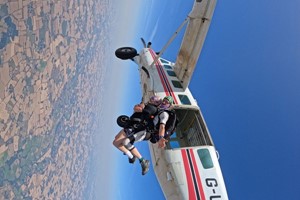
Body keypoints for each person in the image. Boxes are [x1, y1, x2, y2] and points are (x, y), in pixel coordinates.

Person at [112, 96, 162, 175]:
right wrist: (140, 106)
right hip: (131, 125)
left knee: (116, 143)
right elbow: (136, 108)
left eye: (154, 99)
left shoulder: (152, 108)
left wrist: (141, 107)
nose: (151, 99)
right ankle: (133, 156)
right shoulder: (148, 106)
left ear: (157, 103)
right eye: (152, 98)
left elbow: (140, 110)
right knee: (118, 141)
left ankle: (133, 157)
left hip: (133, 127)